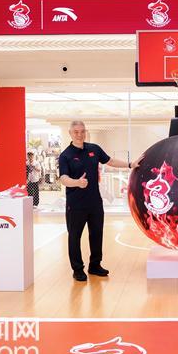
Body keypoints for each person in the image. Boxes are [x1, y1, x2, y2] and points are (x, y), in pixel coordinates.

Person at [59, 120, 141, 282]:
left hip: (95, 202)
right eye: (76, 132)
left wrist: (130, 164)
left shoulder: (94, 149)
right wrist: (77, 182)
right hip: (75, 204)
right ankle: (77, 269)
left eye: (82, 131)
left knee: (96, 234)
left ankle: (95, 265)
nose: (80, 134)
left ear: (85, 132)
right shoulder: (65, 155)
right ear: (70, 133)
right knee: (74, 236)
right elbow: (63, 178)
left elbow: (110, 161)